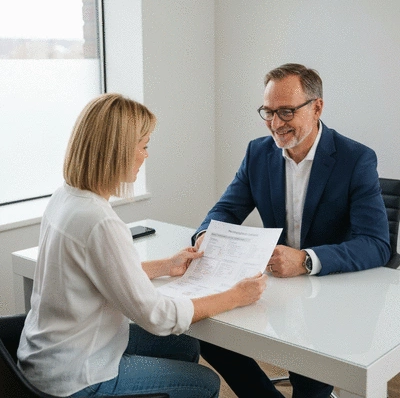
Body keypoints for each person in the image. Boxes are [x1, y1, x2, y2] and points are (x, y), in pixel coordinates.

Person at [17, 93, 267, 398]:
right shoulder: (101, 222)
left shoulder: (65, 197)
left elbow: (99, 272)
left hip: (46, 359)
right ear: (118, 152)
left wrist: (163, 266)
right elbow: (156, 316)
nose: (146, 155)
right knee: (205, 384)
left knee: (185, 345)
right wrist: (234, 296)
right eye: (144, 146)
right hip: (79, 377)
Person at [193, 63, 391, 398]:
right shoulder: (258, 152)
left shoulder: (355, 159)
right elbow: (227, 209)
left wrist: (305, 259)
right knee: (208, 333)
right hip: (279, 290)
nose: (275, 123)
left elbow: (376, 244)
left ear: (317, 107)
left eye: (286, 111)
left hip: (331, 294)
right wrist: (205, 236)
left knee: (309, 384)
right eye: (268, 112)